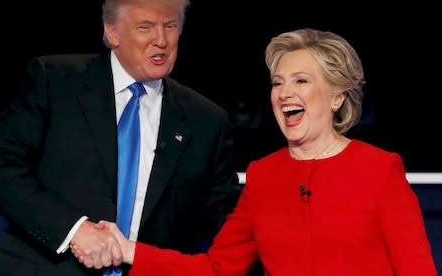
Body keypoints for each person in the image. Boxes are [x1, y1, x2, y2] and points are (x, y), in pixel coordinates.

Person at [76, 28, 438, 275]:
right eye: (278, 83)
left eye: (301, 80)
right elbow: (217, 268)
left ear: (336, 97)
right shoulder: (264, 175)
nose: (284, 93)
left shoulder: (379, 170)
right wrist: (129, 250)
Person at [0, 0, 242, 275]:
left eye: (171, 25)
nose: (161, 40)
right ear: (112, 32)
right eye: (145, 27)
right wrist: (74, 230)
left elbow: (229, 223)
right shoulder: (55, 82)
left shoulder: (206, 120)